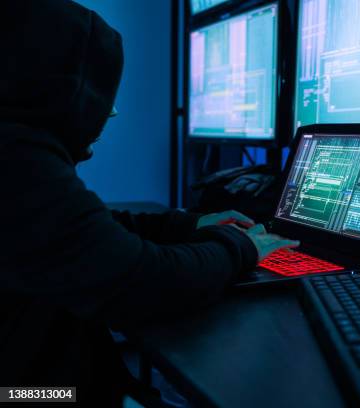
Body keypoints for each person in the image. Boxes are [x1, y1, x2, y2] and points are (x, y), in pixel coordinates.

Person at [0, 0, 298, 405]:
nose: (114, 111)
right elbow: (142, 282)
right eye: (99, 91)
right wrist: (243, 248)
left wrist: (187, 225)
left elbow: (84, 231)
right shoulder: (17, 160)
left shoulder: (16, 155)